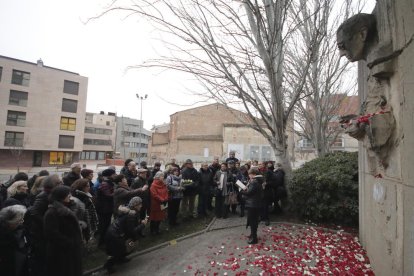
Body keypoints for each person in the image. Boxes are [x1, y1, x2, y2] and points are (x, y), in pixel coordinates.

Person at [24, 175, 61, 276]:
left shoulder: (52, 194)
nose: (61, 184)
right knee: (41, 257)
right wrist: (47, 223)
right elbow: (35, 213)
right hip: (40, 233)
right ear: (54, 185)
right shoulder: (43, 195)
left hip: (45, 232)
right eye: (59, 183)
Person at [43, 185, 83, 276]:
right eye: (67, 194)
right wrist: (69, 242)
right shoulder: (52, 212)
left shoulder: (65, 208)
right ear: (61, 196)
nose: (70, 196)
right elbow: (51, 233)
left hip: (70, 251)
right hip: (62, 253)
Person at [104, 197, 148, 273]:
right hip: (115, 235)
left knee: (125, 247)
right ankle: (109, 266)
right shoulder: (131, 215)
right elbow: (132, 231)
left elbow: (131, 226)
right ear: (135, 205)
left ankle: (121, 258)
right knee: (119, 251)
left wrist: (141, 222)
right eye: (139, 204)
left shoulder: (130, 211)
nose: (141, 206)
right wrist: (143, 225)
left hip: (115, 232)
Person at [0, 205, 28, 276]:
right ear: (10, 221)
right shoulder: (4, 235)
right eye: (19, 220)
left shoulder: (18, 229)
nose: (22, 222)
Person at [71, 178, 99, 243]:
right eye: (87, 186)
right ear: (81, 187)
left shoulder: (86, 196)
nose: (89, 188)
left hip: (87, 224)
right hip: (81, 227)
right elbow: (74, 216)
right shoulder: (75, 200)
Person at [240, 168, 263, 244]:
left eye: (249, 174)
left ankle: (254, 238)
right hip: (255, 203)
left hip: (253, 204)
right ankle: (253, 234)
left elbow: (249, 193)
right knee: (254, 220)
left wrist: (241, 190)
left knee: (253, 221)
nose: (249, 175)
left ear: (253, 174)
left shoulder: (254, 182)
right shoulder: (257, 181)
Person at [95, 168, 116, 246]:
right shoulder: (104, 184)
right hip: (103, 209)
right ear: (109, 175)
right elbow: (108, 196)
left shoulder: (109, 182)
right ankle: (101, 242)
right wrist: (116, 191)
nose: (115, 175)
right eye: (114, 174)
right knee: (103, 225)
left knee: (107, 224)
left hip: (107, 208)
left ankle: (105, 240)